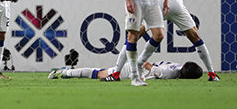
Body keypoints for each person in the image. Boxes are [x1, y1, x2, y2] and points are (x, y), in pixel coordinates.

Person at [155, 0, 220, 81]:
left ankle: (122, 71)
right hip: (176, 4)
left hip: (157, 5)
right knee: (196, 36)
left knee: (135, 35)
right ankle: (212, 73)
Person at [49, 60, 203, 80]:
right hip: (133, 69)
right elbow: (148, 65)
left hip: (135, 68)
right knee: (96, 74)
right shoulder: (171, 73)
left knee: (98, 71)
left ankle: (67, 72)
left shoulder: (178, 65)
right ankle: (64, 72)